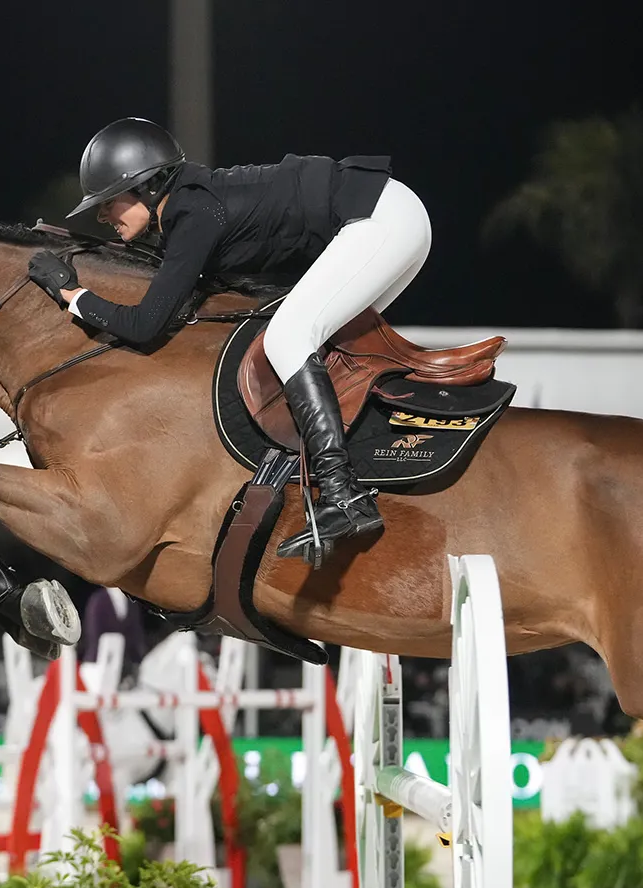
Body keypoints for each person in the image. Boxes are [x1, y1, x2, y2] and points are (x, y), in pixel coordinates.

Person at [26, 117, 433, 565]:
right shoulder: (191, 206)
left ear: (145, 186)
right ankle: (364, 473)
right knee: (322, 344)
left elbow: (145, 326)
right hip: (388, 215)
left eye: (109, 202)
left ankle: (342, 493)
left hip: (380, 218)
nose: (103, 215)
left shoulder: (194, 211)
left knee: (290, 336)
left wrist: (72, 295)